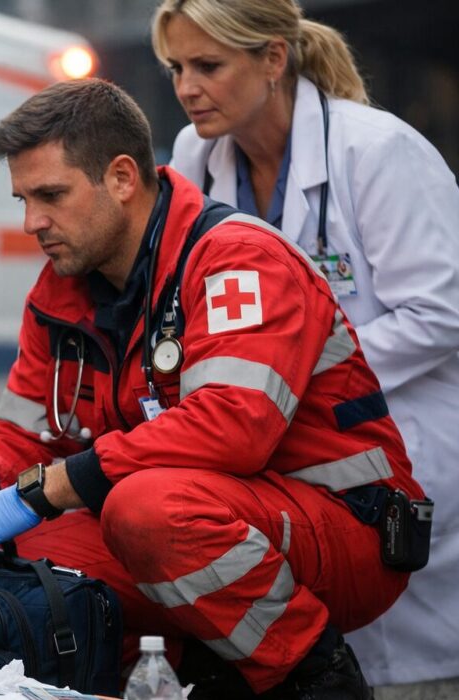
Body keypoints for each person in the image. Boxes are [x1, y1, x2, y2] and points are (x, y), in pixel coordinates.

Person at [0, 78, 426, 699]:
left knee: (146, 510)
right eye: (22, 198)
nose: (31, 223)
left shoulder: (236, 259)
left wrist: (51, 486)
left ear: (123, 179)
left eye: (50, 195)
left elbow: (233, 427)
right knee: (5, 560)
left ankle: (314, 678)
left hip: (348, 527)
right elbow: (24, 429)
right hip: (207, 516)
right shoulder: (64, 291)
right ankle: (145, 678)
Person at [152, 0, 459, 689]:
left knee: (414, 676)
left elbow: (441, 311)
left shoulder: (377, 152)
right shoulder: (193, 160)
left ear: (272, 58)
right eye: (176, 67)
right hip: (277, 456)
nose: (186, 87)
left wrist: (292, 377)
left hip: (398, 438)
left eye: (208, 65)